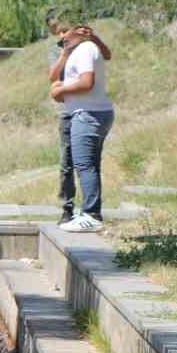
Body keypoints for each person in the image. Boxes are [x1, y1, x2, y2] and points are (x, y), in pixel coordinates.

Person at [45, 18, 111, 226]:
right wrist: (65, 53)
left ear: (79, 29)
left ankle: (90, 214)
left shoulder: (88, 48)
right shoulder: (59, 50)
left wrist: (95, 39)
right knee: (68, 163)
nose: (61, 36)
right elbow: (53, 76)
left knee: (85, 164)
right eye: (57, 32)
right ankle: (68, 209)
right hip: (70, 110)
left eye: (65, 30)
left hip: (84, 111)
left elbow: (91, 76)